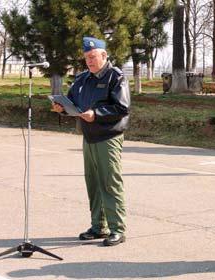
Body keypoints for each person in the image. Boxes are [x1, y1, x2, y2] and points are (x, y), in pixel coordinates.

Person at [52, 37, 130, 246]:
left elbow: (122, 108)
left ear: (104, 55)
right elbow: (72, 102)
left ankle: (117, 229)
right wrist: (61, 107)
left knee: (110, 183)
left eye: (93, 57)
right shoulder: (82, 79)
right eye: (86, 58)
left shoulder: (116, 77)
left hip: (108, 137)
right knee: (93, 184)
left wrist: (96, 114)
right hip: (88, 137)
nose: (89, 61)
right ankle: (99, 227)